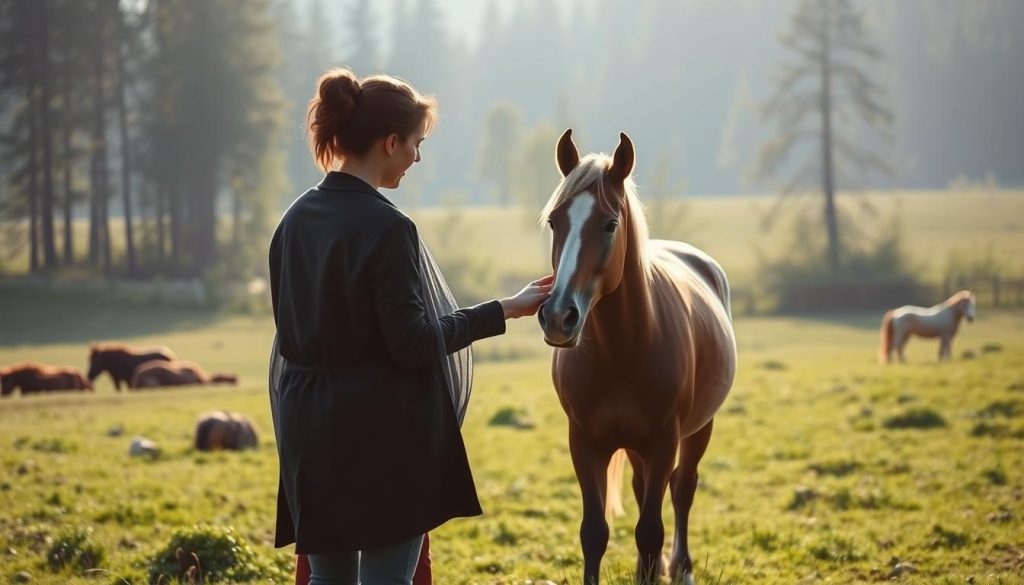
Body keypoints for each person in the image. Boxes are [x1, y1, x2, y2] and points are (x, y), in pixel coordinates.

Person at [268, 67, 552, 585]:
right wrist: (503, 310)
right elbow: (413, 344)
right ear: (390, 142)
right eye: (417, 144)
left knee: (325, 581)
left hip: (308, 430)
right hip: (380, 433)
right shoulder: (389, 228)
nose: (418, 158)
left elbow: (289, 336)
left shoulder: (293, 220)